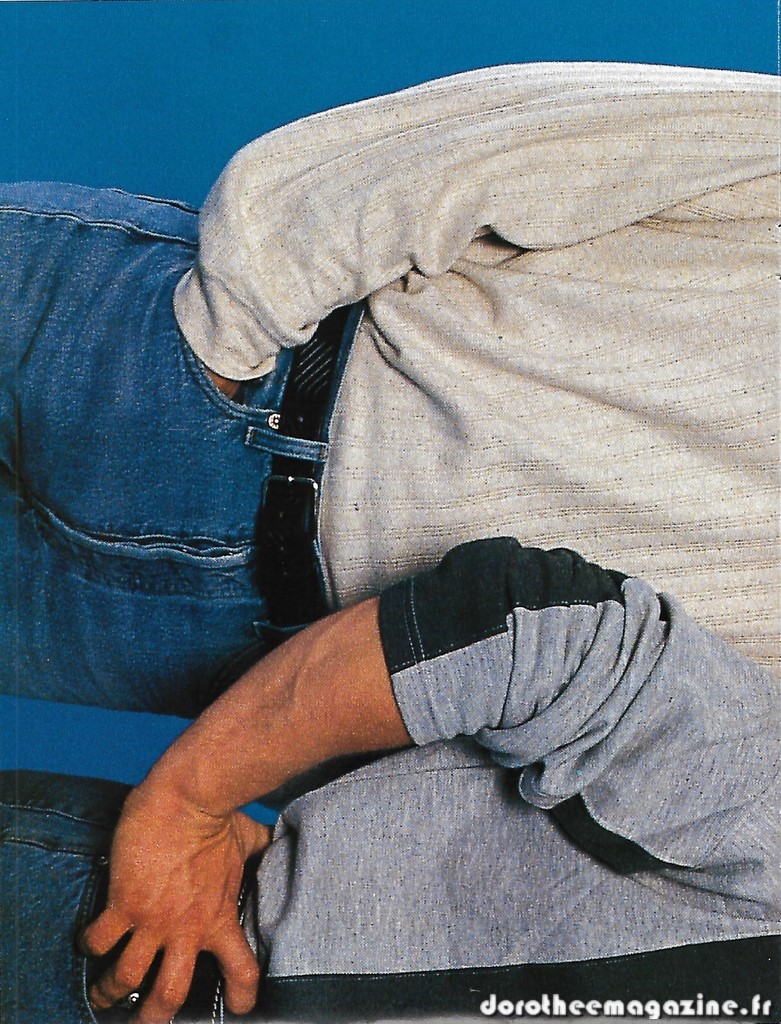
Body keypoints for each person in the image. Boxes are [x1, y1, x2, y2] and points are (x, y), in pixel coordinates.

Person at [0, 62, 778, 1022]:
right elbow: (541, 132)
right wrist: (231, 331)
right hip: (219, 388)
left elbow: (625, 752)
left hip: (247, 642)